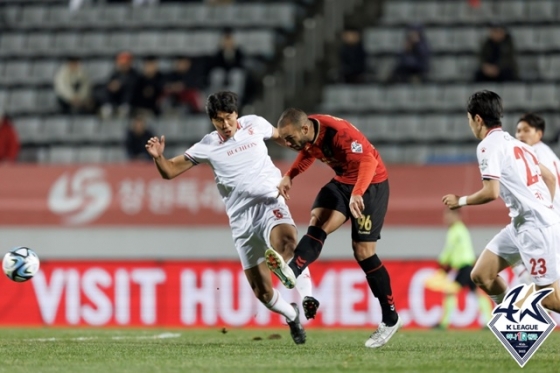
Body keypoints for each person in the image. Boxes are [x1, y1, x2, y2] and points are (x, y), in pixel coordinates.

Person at [144, 91, 318, 344]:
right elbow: (170, 171)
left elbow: (283, 137)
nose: (225, 125)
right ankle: (292, 317)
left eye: (229, 118)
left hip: (269, 201)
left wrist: (303, 155)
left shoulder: (255, 124)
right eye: (218, 120)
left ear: (237, 113)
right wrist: (159, 157)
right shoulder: (207, 146)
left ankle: (307, 297)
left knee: (288, 243)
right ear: (211, 120)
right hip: (241, 220)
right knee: (263, 292)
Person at [265, 109, 402, 349]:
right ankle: (292, 271)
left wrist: (357, 193)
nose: (287, 143)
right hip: (343, 182)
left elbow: (368, 160)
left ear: (304, 129)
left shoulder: (339, 134)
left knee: (363, 252)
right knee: (317, 221)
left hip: (370, 184)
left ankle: (390, 318)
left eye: (289, 138)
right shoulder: (308, 133)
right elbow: (308, 152)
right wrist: (290, 175)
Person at [442, 90, 560, 313]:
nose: (470, 125)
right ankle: (514, 316)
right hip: (521, 225)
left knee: (549, 300)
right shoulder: (519, 145)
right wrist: (547, 207)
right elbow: (550, 177)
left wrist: (461, 200)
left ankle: (516, 316)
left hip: (537, 230)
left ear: (478, 119)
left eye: (469, 120)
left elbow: (491, 192)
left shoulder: (487, 146)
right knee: (481, 275)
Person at [512, 113, 560, 285]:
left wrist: (546, 209)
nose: (521, 135)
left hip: (547, 225)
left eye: (526, 130)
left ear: (538, 134)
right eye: (518, 131)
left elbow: (551, 180)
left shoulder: (536, 153)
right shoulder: (547, 153)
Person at [425, 209, 492, 329]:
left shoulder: (455, 230)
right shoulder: (462, 229)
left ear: (457, 216)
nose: (446, 219)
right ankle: (489, 321)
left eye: (449, 216)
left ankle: (444, 323)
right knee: (477, 293)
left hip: (464, 267)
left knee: (450, 292)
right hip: (469, 266)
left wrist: (442, 262)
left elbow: (449, 250)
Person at [101, 51, 138, 119]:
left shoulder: (134, 74)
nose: (123, 66)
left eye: (125, 63)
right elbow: (109, 84)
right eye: (122, 64)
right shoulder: (115, 74)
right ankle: (108, 107)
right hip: (116, 100)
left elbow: (134, 85)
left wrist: (120, 84)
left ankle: (124, 108)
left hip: (132, 103)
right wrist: (112, 86)